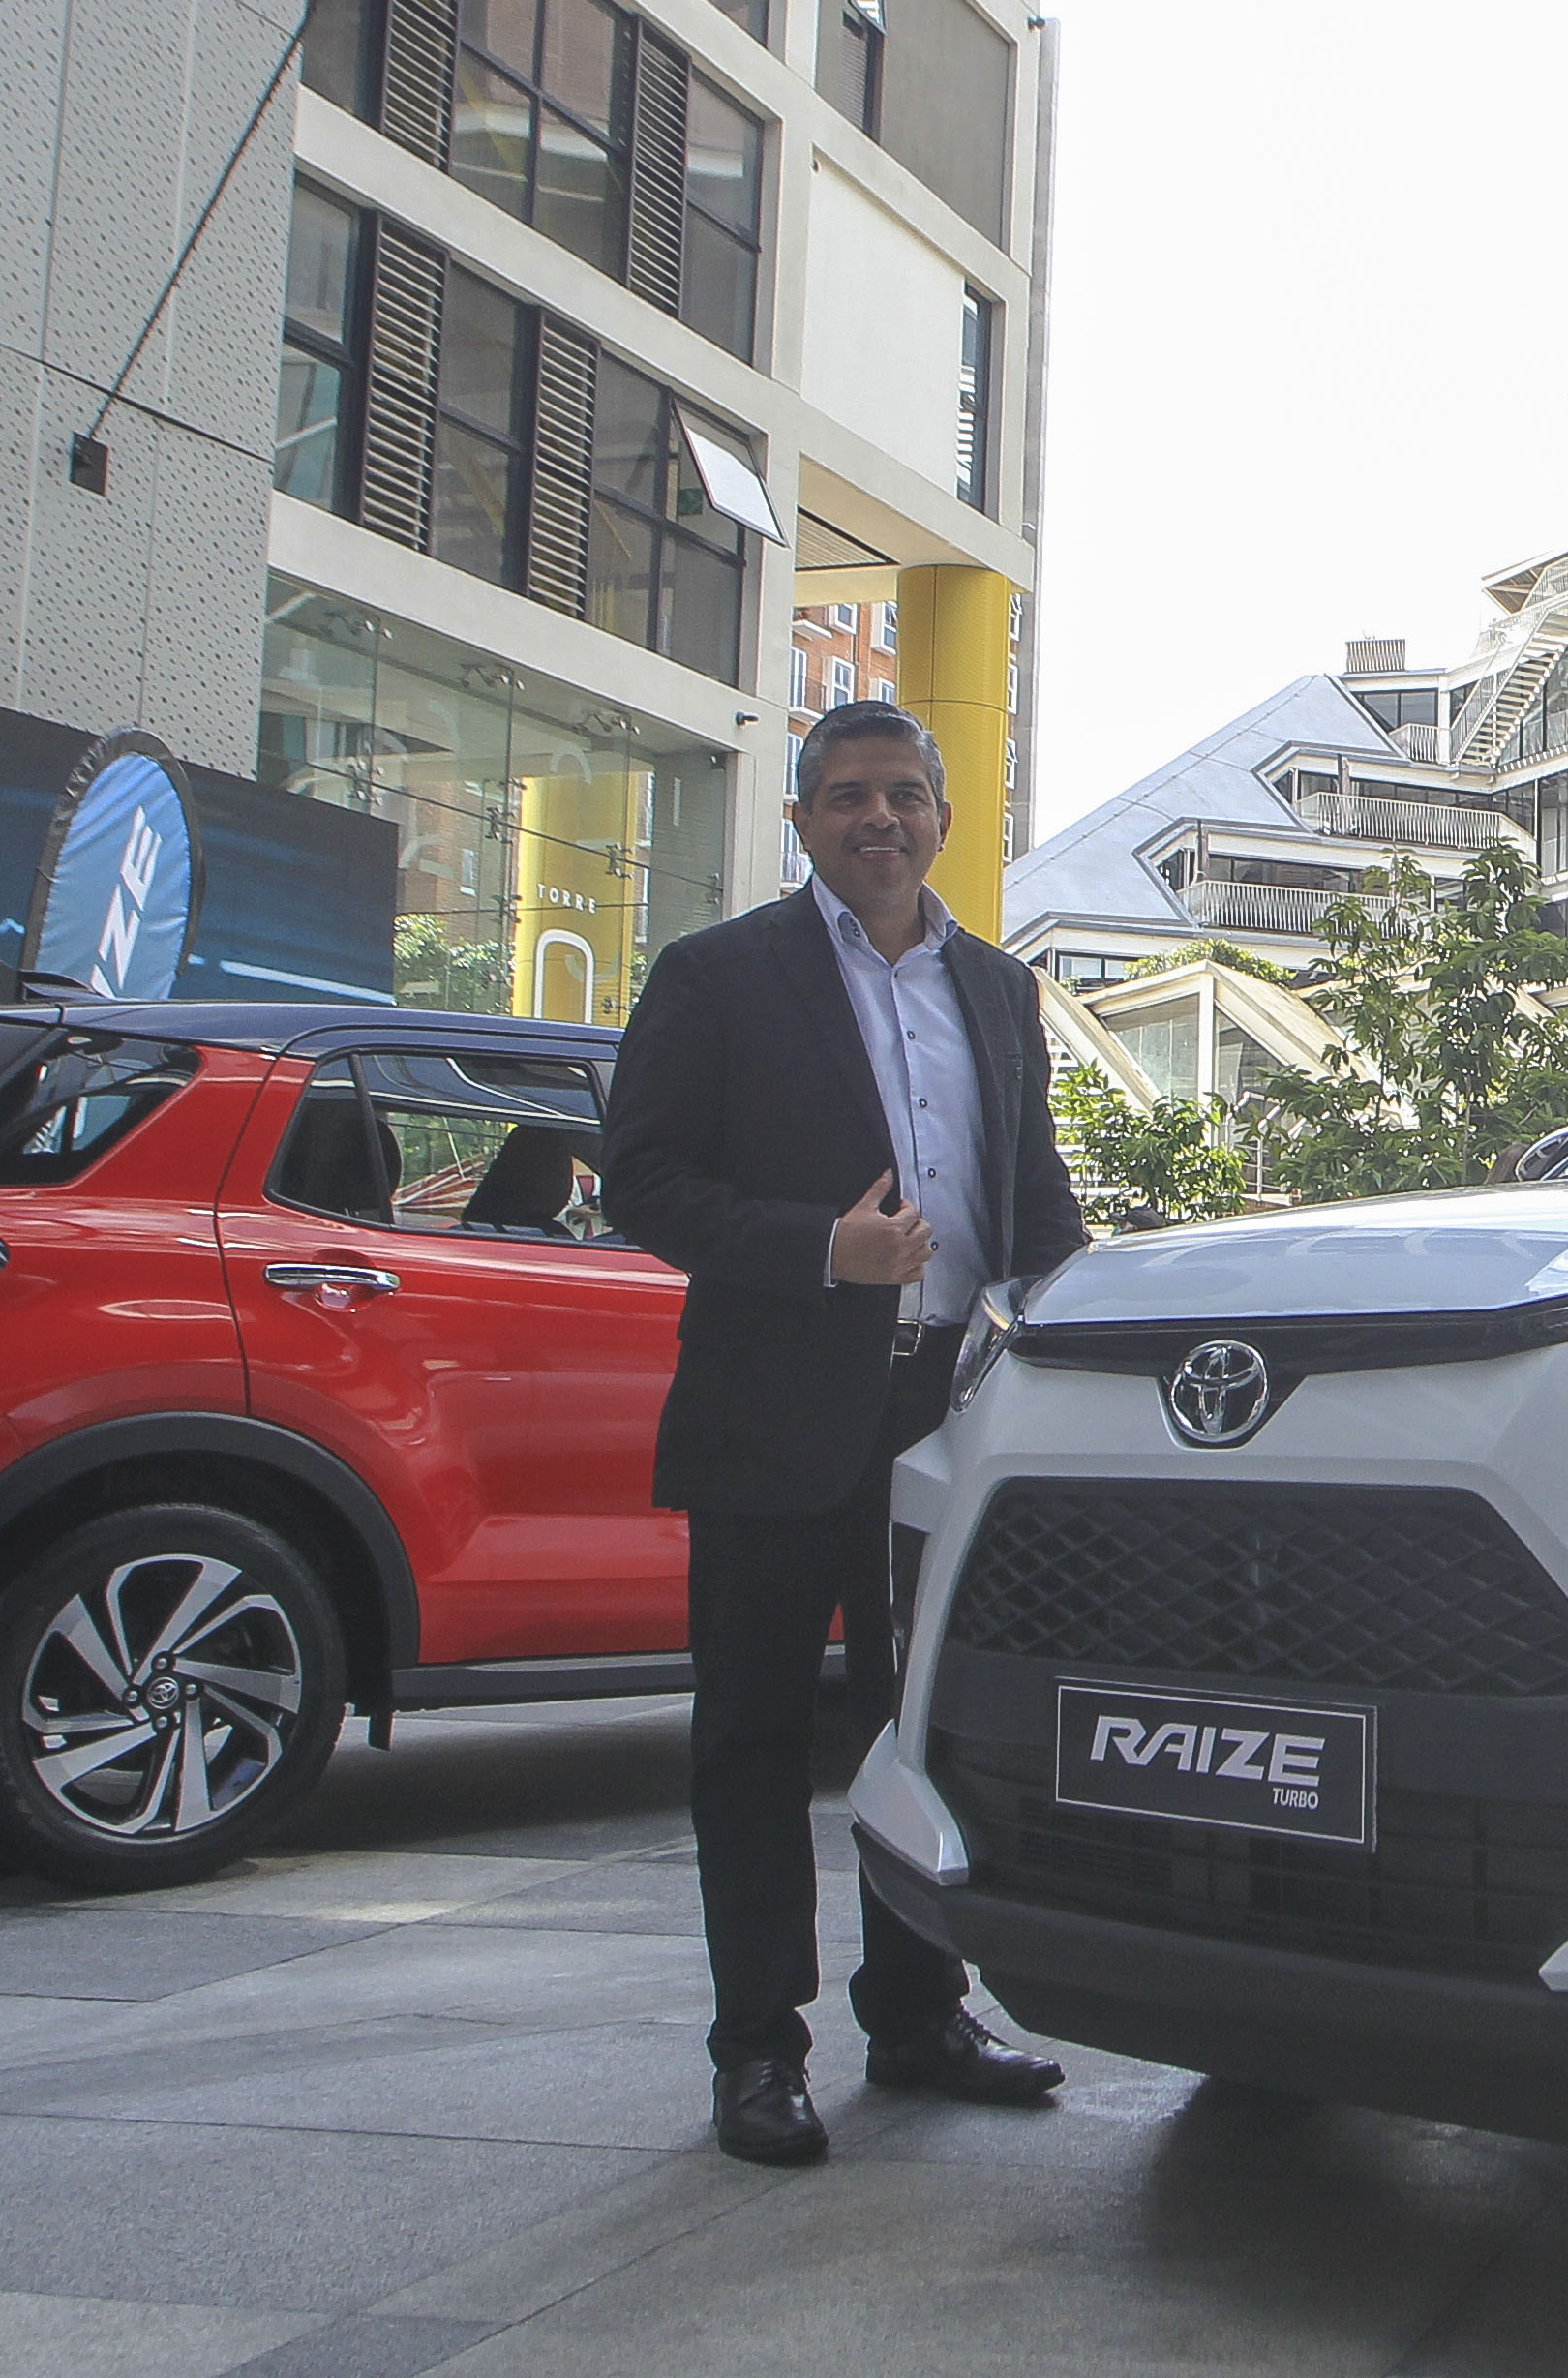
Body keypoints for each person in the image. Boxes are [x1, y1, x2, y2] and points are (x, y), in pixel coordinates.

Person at [605, 700, 1088, 2166]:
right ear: (804, 821)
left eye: (902, 796)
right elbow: (641, 1183)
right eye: (845, 798)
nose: (876, 820)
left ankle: (919, 2015)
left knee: (920, 1732)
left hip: (947, 1412)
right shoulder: (719, 975)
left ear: (942, 817)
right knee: (753, 1739)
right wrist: (823, 1247)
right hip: (774, 1409)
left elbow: (1033, 1197)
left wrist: (1092, 1314)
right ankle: (756, 2050)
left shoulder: (1000, 992)